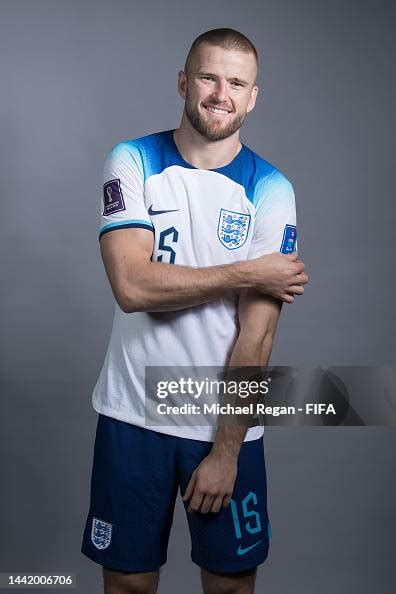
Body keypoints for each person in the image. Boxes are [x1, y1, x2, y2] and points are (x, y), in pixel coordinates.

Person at [81, 27, 308, 594]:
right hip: (132, 417)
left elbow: (256, 335)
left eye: (236, 83)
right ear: (184, 82)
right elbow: (132, 286)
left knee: (230, 586)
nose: (220, 93)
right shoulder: (131, 158)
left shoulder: (272, 189)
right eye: (208, 76)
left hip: (222, 427)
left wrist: (227, 450)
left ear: (252, 97)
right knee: (128, 584)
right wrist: (248, 272)